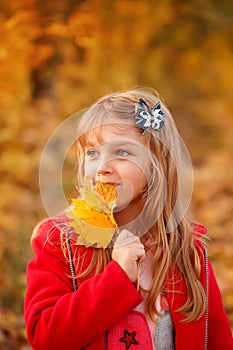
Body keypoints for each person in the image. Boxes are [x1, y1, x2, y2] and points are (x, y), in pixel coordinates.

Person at [24, 87, 233, 350]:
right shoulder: (60, 241)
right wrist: (117, 277)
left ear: (159, 162)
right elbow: (46, 338)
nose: (103, 167)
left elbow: (216, 340)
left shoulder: (187, 250)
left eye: (122, 153)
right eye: (92, 153)